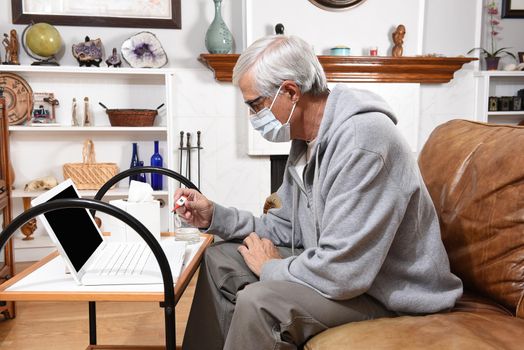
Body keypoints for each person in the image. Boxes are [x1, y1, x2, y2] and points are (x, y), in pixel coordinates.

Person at [176, 35, 462, 350]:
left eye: (255, 104)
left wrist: (271, 268)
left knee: (261, 301)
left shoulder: (363, 142)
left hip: (390, 296)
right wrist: (216, 215)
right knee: (221, 259)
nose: (253, 116)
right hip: (348, 276)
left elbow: (343, 273)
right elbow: (284, 227)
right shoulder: (305, 143)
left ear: (290, 92)